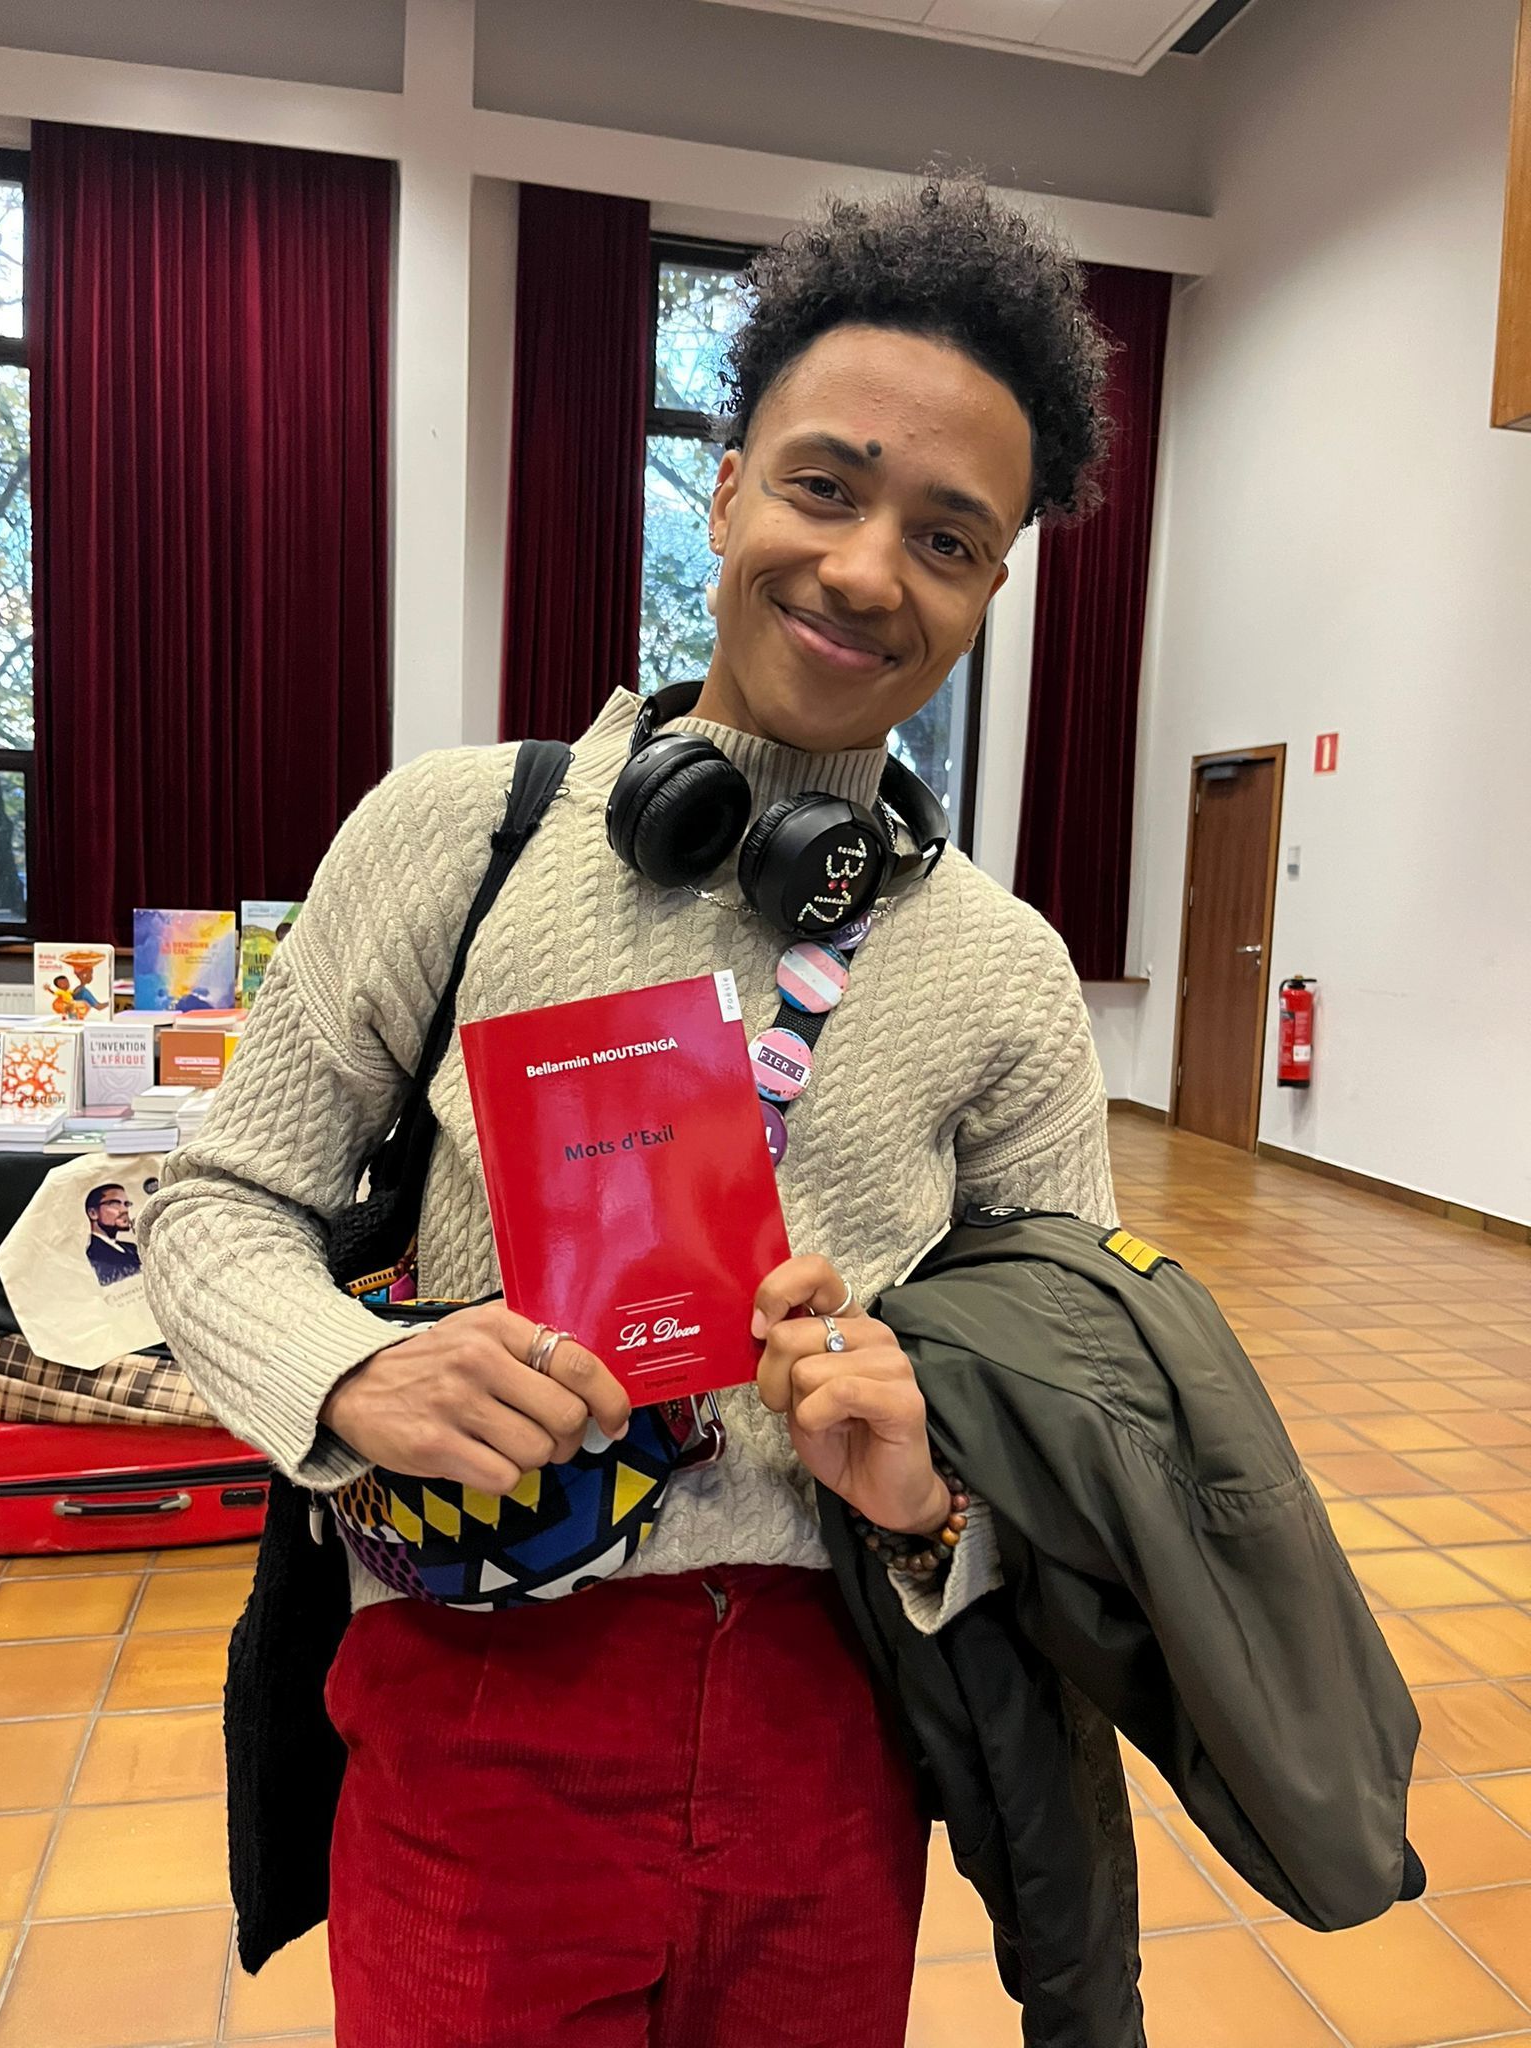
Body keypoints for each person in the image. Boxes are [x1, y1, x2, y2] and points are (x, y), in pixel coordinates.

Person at [140, 175, 1114, 2048]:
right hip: (474, 1695)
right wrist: (350, 1371)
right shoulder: (459, 836)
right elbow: (213, 1200)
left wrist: (938, 1494)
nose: (866, 571)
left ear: (991, 587)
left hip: (839, 1735)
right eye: (824, 487)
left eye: (946, 536)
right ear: (726, 488)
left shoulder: (1006, 975)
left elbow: (1077, 1408)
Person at [85, 1184, 141, 1288]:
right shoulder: (94, 1255)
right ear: (93, 1213)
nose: (124, 1210)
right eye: (115, 1204)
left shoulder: (132, 1248)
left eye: (126, 1204)